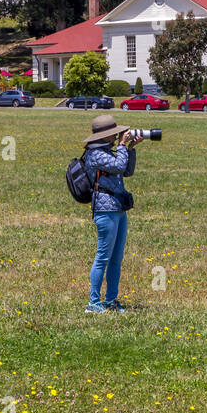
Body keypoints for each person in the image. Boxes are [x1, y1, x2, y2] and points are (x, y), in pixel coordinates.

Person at [81, 114, 142, 314]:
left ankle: (111, 300)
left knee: (116, 258)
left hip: (118, 208)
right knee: (103, 257)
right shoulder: (95, 154)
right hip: (105, 210)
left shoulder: (108, 151)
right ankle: (94, 303)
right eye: (114, 135)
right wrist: (123, 146)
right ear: (105, 136)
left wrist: (130, 150)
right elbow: (117, 165)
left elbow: (126, 171)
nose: (117, 137)